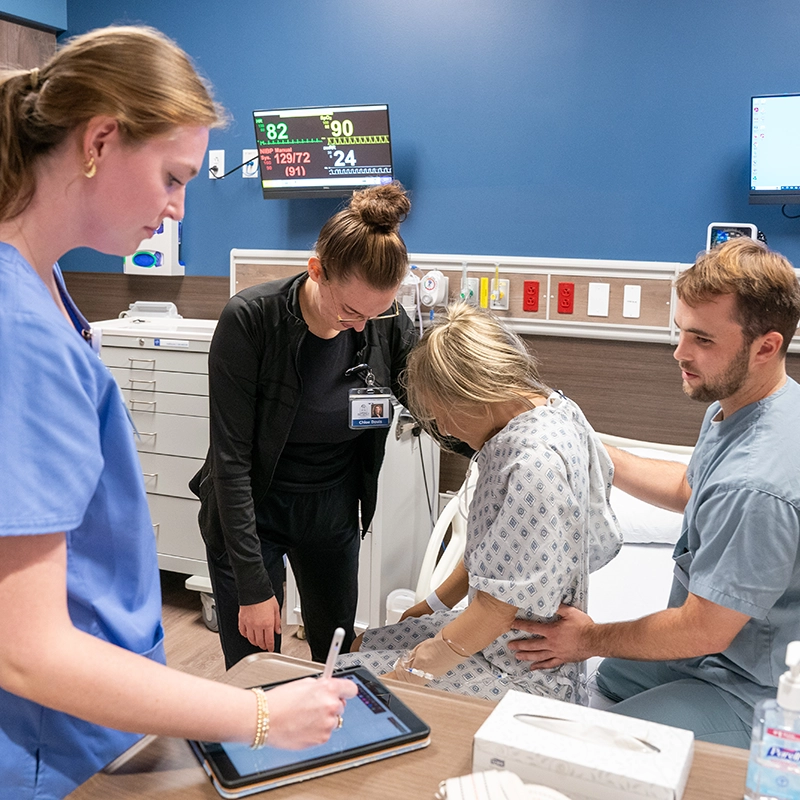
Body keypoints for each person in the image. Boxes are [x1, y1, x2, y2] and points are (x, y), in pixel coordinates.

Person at [0, 26, 355, 798]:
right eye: (171, 177)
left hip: (99, 719)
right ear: (99, 140)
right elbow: (23, 648)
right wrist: (257, 718)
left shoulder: (43, 293)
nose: (177, 209)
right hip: (48, 748)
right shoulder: (17, 330)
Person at [509, 237, 800, 748]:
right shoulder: (743, 404)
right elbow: (692, 488)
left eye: (703, 341)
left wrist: (586, 638)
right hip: (717, 646)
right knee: (610, 679)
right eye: (680, 332)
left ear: (766, 346)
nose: (679, 353)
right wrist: (594, 451)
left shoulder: (757, 484)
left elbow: (703, 630)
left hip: (759, 686)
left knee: (598, 744)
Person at [337, 303, 622, 702]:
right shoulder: (552, 407)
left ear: (474, 396)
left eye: (440, 417)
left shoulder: (531, 465)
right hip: (492, 636)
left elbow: (497, 608)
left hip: (522, 669)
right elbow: (495, 550)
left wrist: (412, 670)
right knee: (361, 644)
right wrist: (433, 604)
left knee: (352, 683)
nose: (443, 431)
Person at [189, 181, 418, 668]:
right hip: (253, 509)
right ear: (317, 270)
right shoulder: (251, 320)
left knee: (333, 653)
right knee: (257, 666)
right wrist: (253, 586)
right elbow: (230, 461)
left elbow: (428, 403)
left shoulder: (383, 322)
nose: (362, 326)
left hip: (332, 509)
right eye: (351, 310)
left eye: (378, 313)